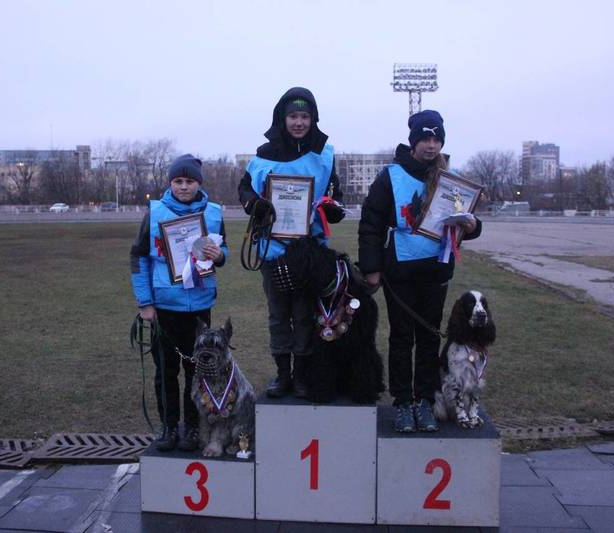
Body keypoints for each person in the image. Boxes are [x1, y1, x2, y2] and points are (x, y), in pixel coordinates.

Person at [357, 110, 482, 432]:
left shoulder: (449, 180)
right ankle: (402, 403)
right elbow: (370, 223)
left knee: (428, 338)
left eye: (436, 138)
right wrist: (371, 268)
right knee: (401, 338)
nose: (431, 145)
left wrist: (473, 224)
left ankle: (425, 401)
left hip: (436, 271)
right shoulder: (391, 176)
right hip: (399, 272)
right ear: (413, 141)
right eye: (425, 138)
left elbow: (466, 220)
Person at [238, 87, 344, 399]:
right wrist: (254, 204)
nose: (299, 122)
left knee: (304, 315)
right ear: (282, 119)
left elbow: (335, 195)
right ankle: (283, 374)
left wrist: (331, 208)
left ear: (313, 119)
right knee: (278, 315)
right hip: (273, 249)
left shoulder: (324, 153)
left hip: (308, 251)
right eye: (293, 116)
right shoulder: (263, 154)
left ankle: (302, 376)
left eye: (305, 116)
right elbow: (245, 188)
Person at [130, 154, 229, 452]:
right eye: (178, 181)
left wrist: (219, 256)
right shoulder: (155, 212)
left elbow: (221, 251)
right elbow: (139, 258)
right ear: (170, 182)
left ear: (199, 182)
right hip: (165, 308)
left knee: (197, 372)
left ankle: (192, 428)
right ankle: (169, 427)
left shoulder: (212, 213)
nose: (184, 187)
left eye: (189, 181)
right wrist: (145, 303)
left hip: (199, 307)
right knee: (166, 372)